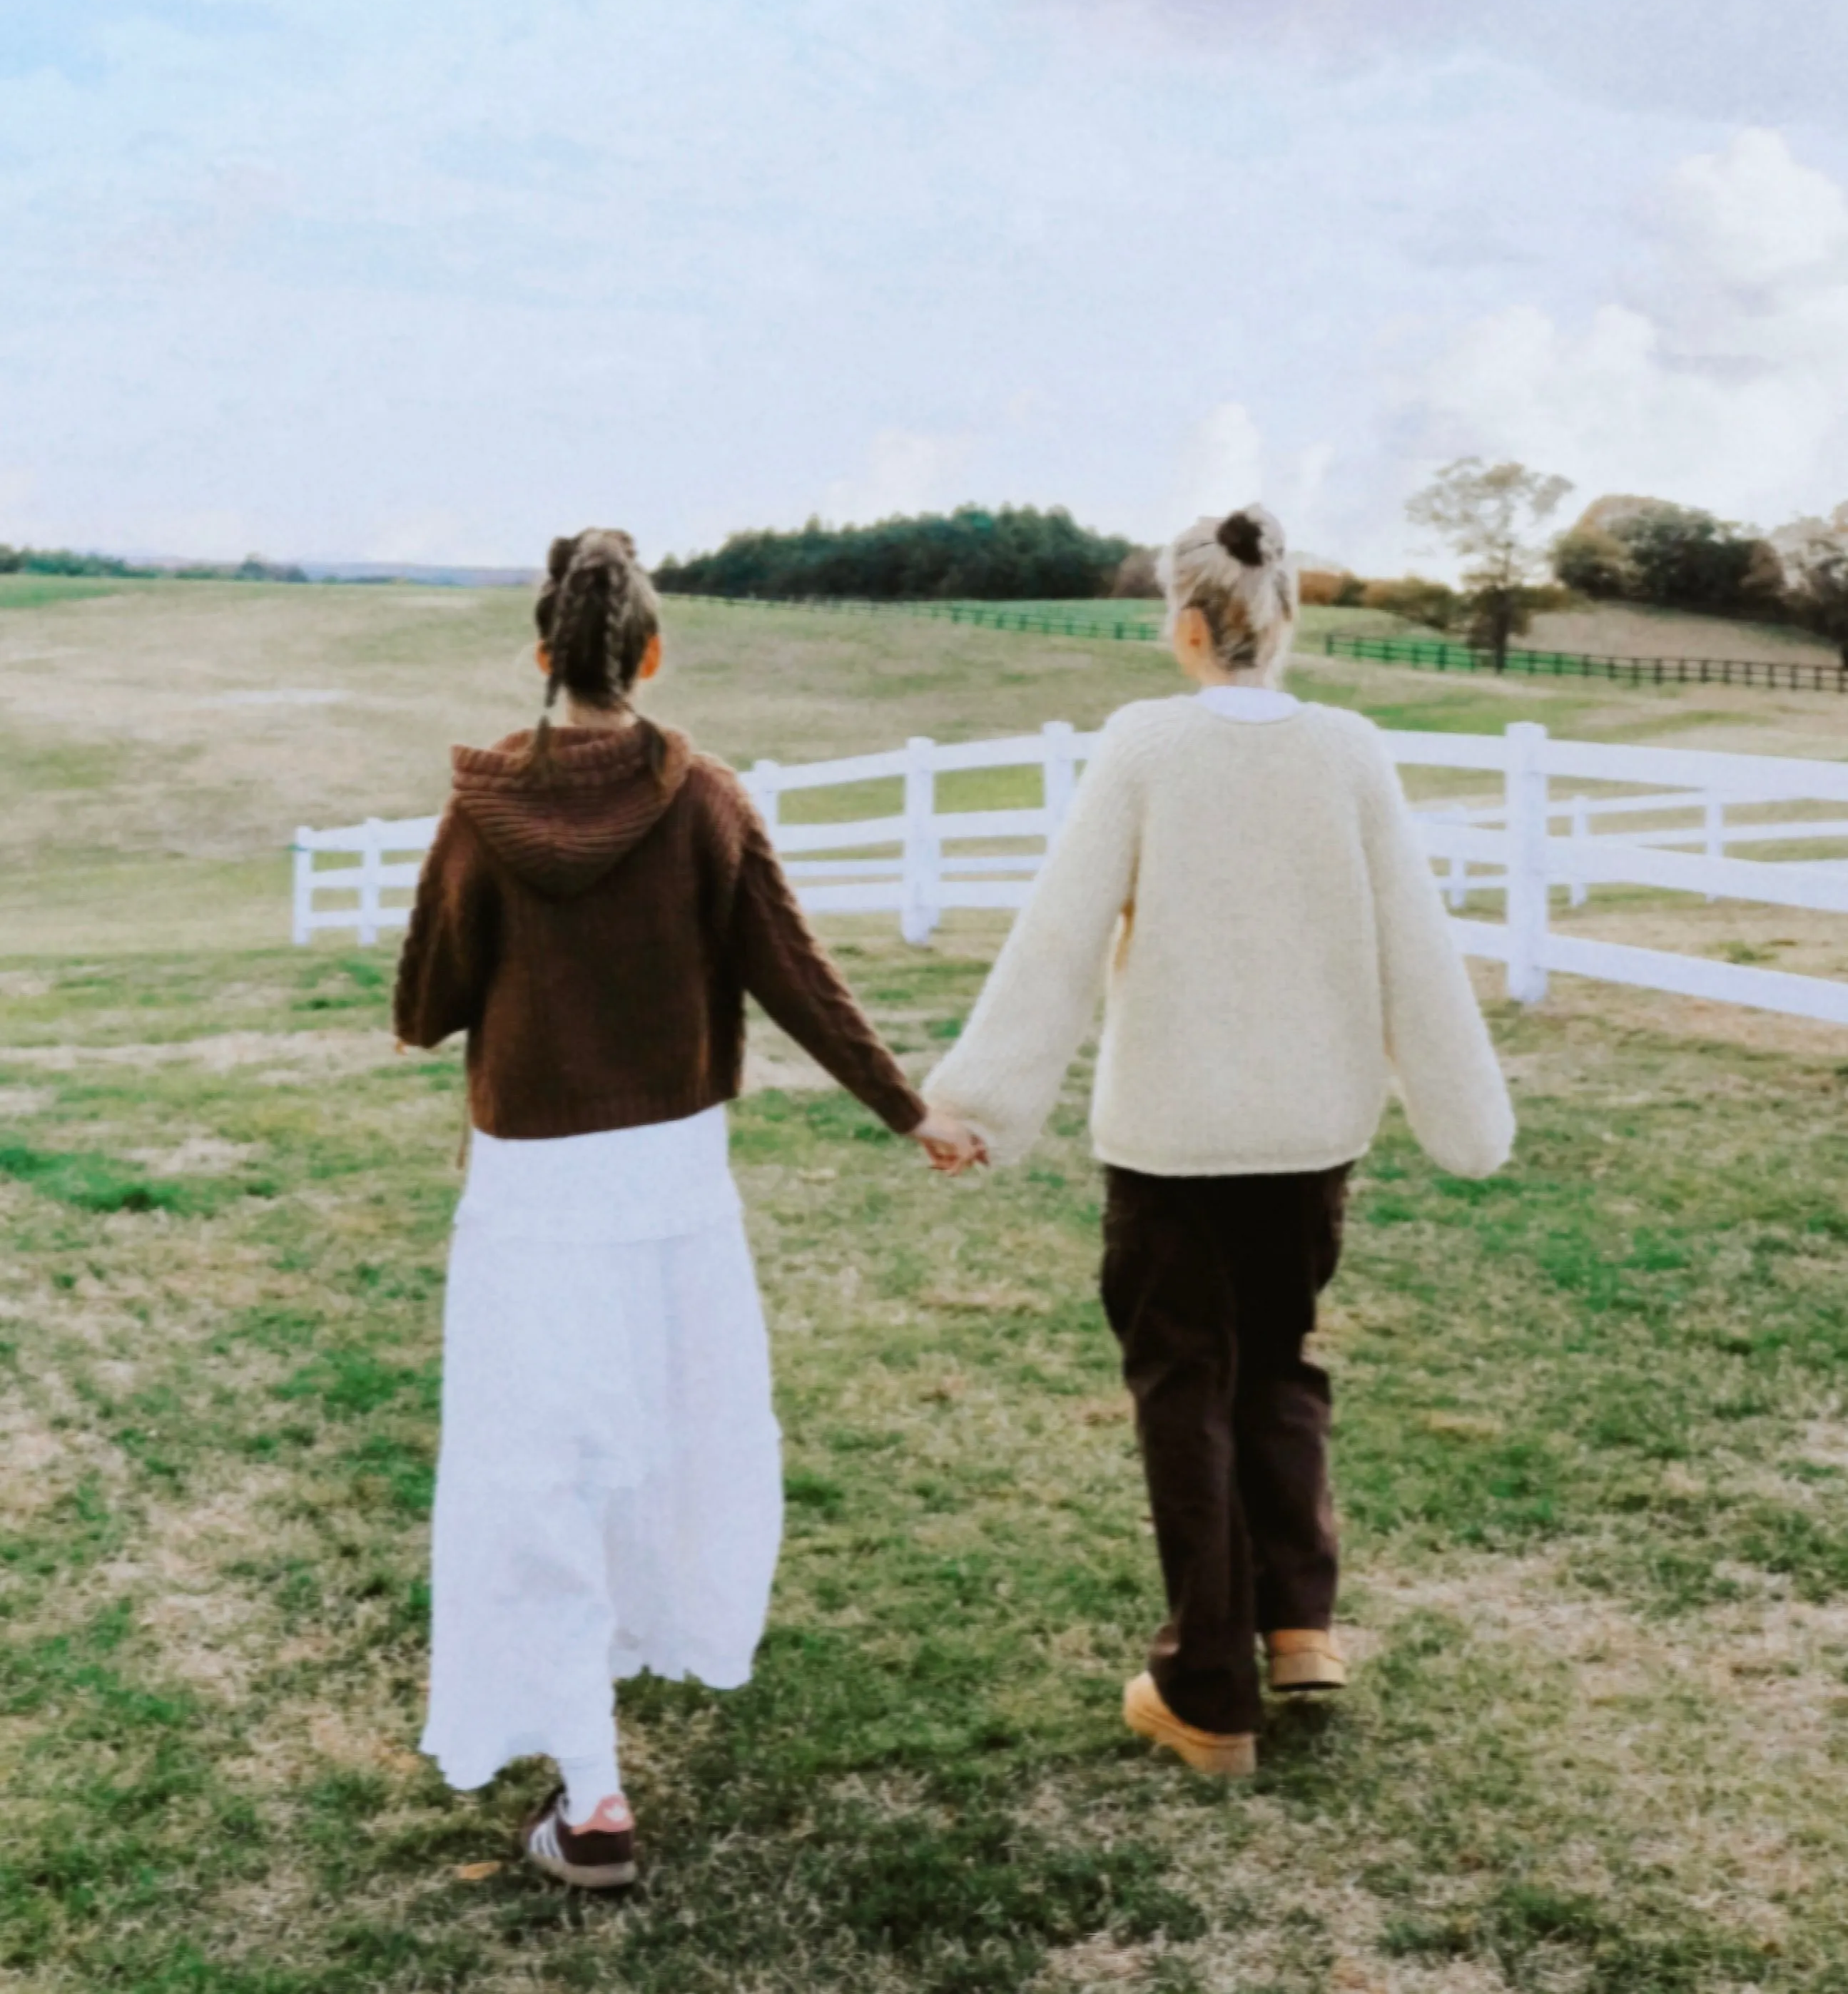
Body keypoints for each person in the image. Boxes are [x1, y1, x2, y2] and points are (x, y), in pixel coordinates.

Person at [394, 529, 975, 1887]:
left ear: (544, 659)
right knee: (669, 1433)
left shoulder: (480, 816)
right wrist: (910, 1110)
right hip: (669, 1181)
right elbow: (797, 977)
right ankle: (636, 1670)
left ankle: (590, 1793)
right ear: (648, 655)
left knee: (534, 1459)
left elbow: (423, 1008)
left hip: (532, 1182)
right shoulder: (706, 803)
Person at [921, 505, 1514, 1777]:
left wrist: (976, 1100)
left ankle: (1207, 1692)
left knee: (1182, 1387)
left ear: (1187, 627)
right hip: (1311, 1135)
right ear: (1282, 618)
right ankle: (1298, 1621)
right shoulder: (1350, 750)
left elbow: (1060, 935)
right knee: (1280, 1362)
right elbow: (1414, 937)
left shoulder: (1144, 745)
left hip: (1173, 1140)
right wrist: (1466, 1113)